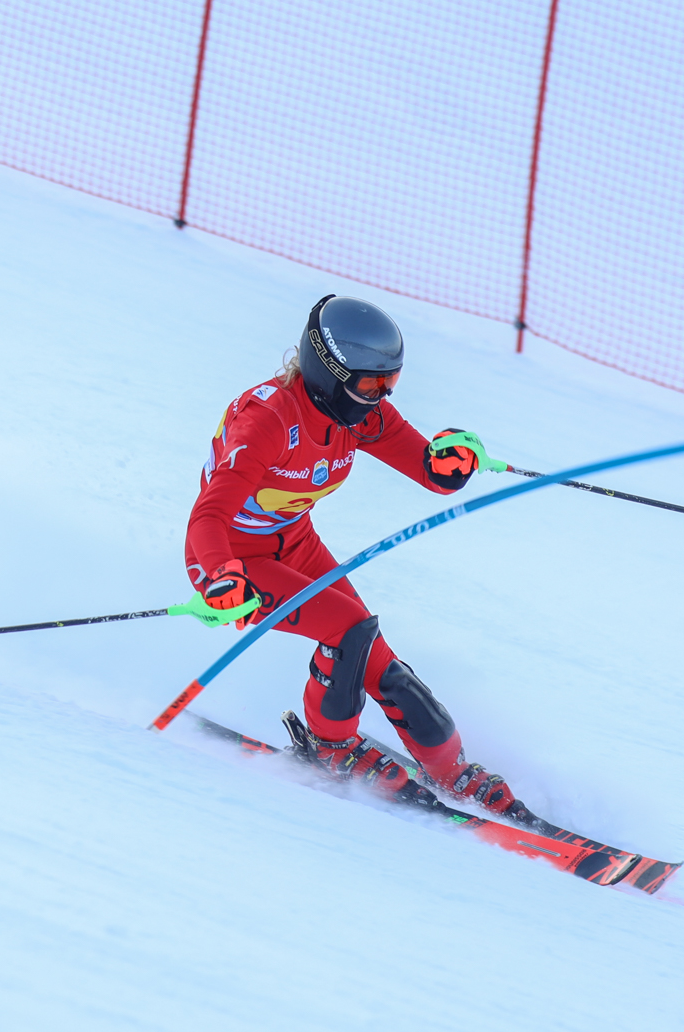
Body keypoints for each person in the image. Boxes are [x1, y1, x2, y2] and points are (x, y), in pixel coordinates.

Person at [184, 294, 529, 819]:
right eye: (370, 383)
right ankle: (330, 748)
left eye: (390, 383)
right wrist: (218, 576)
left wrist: (451, 460)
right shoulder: (269, 421)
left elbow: (431, 471)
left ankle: (451, 770)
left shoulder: (357, 414)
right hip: (234, 559)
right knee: (345, 628)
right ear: (328, 370)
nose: (380, 396)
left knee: (371, 650)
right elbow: (207, 517)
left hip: (293, 541)